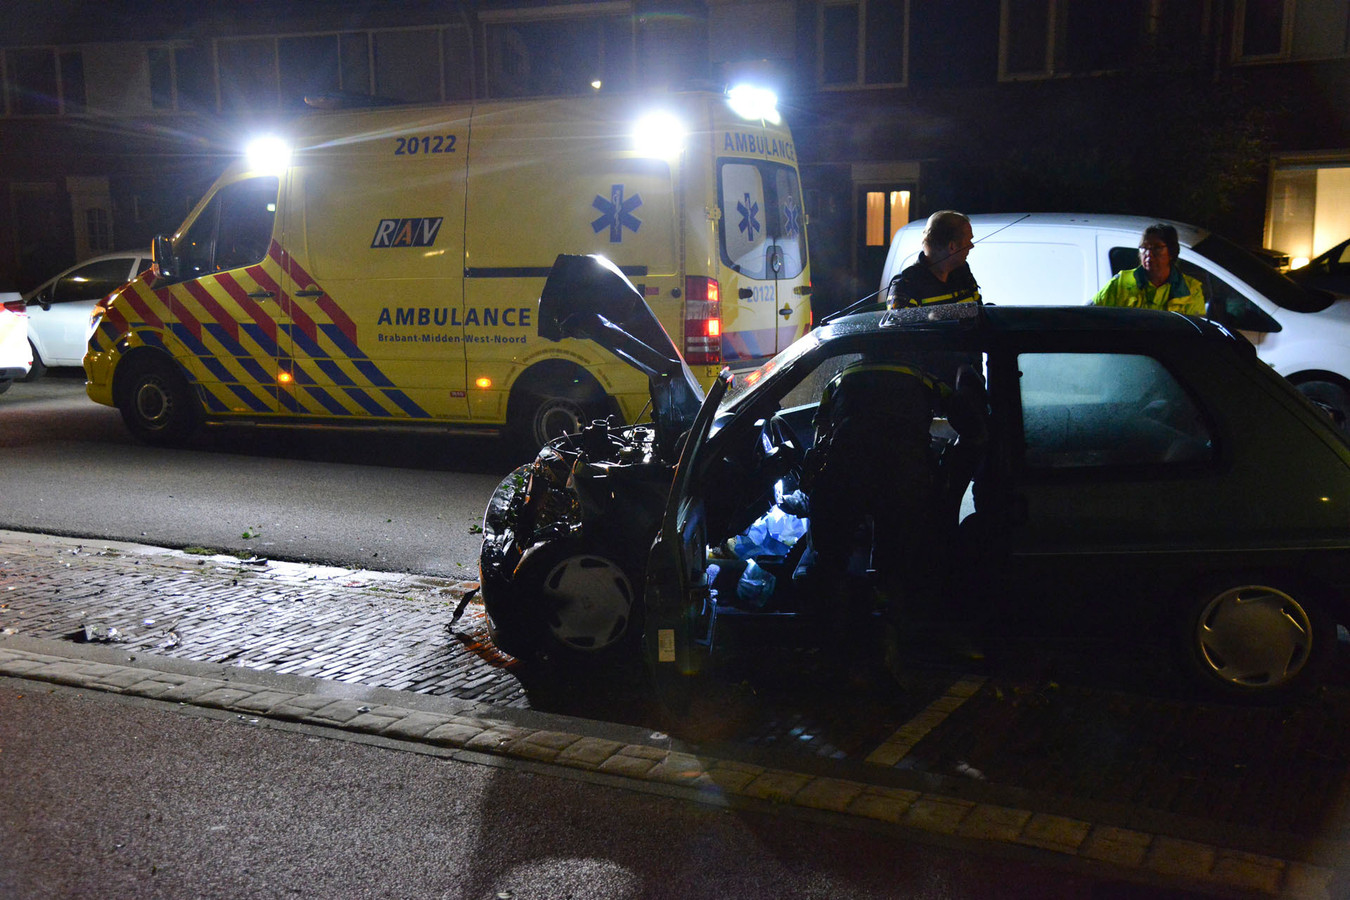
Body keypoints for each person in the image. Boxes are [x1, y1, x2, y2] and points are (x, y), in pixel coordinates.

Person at [1092, 223, 1206, 316]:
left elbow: (1195, 334)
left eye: (1157, 248)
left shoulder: (1191, 289)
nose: (1148, 254)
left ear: (1172, 252)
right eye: (1144, 248)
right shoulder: (1121, 282)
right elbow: (1090, 314)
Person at [885, 210, 981, 309]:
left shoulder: (963, 274)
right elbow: (901, 324)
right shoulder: (906, 285)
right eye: (968, 240)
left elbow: (980, 315)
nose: (971, 246)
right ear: (952, 246)